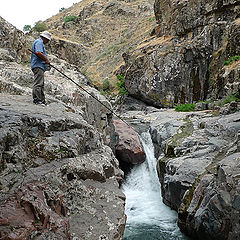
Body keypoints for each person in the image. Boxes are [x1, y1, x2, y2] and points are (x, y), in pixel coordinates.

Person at [31, 31, 51, 105]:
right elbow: (39, 52)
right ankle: (37, 100)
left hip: (40, 66)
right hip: (38, 66)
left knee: (41, 84)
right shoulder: (39, 42)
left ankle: (42, 100)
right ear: (44, 38)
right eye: (48, 40)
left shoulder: (40, 42)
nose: (48, 42)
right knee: (38, 83)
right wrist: (46, 60)